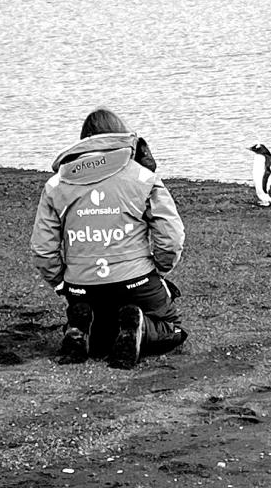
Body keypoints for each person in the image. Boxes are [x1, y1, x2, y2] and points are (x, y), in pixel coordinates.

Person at [30, 107, 187, 368]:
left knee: (100, 332)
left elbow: (42, 248)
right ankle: (142, 328)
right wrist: (160, 269)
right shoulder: (143, 178)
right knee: (171, 327)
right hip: (136, 281)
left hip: (81, 286)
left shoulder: (55, 185)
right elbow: (171, 237)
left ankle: (80, 325)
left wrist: (60, 283)